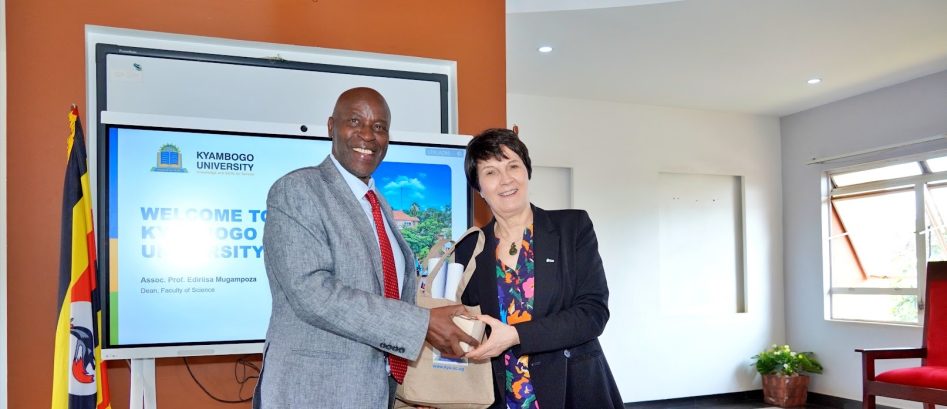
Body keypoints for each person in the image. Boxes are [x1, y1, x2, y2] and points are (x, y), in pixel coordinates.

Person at [253, 87, 478, 409]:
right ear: (331, 126)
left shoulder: (378, 203)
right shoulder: (298, 190)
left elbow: (380, 293)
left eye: (379, 127)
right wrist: (420, 323)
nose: (368, 135)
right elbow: (312, 294)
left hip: (373, 390)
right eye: (355, 121)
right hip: (312, 393)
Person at [455, 128, 624, 409]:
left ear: (527, 171)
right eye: (491, 172)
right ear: (478, 188)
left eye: (513, 166)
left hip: (574, 389)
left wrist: (517, 336)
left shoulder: (572, 228)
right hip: (502, 397)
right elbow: (466, 324)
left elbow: (593, 313)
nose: (506, 179)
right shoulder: (470, 248)